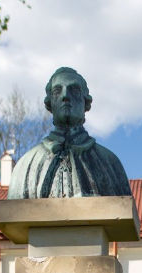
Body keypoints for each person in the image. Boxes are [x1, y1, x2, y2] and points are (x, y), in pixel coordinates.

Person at [7, 67, 131, 199]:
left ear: (85, 102)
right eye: (57, 91)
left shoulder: (110, 163)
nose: (65, 96)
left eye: (74, 90)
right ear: (50, 103)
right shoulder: (25, 166)